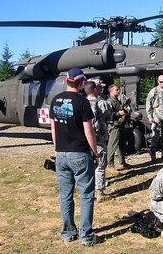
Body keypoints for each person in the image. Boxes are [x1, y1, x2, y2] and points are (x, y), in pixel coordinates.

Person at [49, 68, 98, 246]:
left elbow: (53, 129)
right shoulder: (83, 102)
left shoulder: (55, 100)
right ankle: (86, 235)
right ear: (80, 82)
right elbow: (89, 131)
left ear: (67, 81)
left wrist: (57, 149)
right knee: (86, 195)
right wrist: (95, 152)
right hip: (80, 154)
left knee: (65, 195)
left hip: (61, 153)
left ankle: (68, 233)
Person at [84, 80, 112, 202]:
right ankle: (99, 192)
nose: (101, 90)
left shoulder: (81, 102)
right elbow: (109, 117)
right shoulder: (102, 103)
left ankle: (86, 190)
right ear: (95, 89)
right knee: (100, 165)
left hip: (84, 140)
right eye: (99, 88)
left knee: (86, 166)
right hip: (99, 139)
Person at [107, 84, 129, 171]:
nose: (118, 91)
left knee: (121, 145)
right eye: (116, 89)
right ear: (111, 91)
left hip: (121, 125)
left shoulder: (117, 101)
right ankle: (110, 165)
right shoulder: (109, 102)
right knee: (112, 146)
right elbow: (108, 116)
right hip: (114, 126)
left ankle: (122, 162)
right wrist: (118, 114)